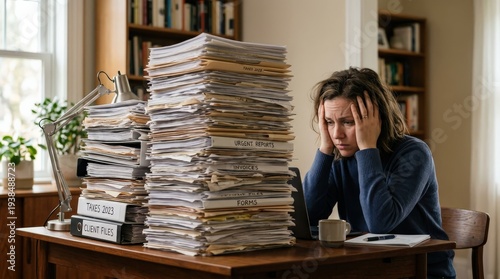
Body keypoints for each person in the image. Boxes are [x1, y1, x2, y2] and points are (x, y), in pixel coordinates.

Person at [303, 67, 456, 279]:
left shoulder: (414, 153)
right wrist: (325, 149)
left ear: (376, 119)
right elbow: (308, 217)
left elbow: (380, 223)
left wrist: (367, 149)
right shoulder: (340, 157)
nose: (337, 134)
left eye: (348, 122)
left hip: (421, 270)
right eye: (329, 122)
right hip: (370, 267)